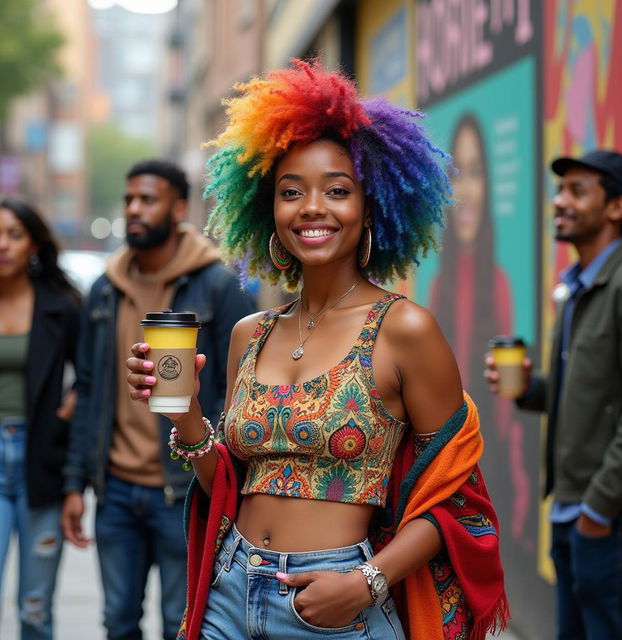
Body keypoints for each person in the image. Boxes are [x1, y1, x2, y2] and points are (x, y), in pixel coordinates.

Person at [126, 61, 508, 640]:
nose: (311, 207)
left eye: (337, 190)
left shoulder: (404, 328)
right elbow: (225, 485)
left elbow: (458, 501)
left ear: (372, 206)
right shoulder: (248, 334)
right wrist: (185, 415)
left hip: (337, 605)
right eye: (290, 192)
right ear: (267, 210)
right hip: (228, 593)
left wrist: (367, 583)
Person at [61, 159, 255, 640]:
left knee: (183, 622)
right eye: (129, 199)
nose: (134, 209)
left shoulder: (218, 285)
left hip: (184, 490)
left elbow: (240, 391)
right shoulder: (105, 290)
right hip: (116, 492)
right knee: (118, 622)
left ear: (179, 208)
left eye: (147, 199)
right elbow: (87, 388)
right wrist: (74, 483)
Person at [485, 149, 622, 640]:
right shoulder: (575, 288)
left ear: (616, 208)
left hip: (607, 515)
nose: (559, 202)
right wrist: (531, 388)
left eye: (577, 191)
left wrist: (599, 507)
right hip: (571, 509)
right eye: (559, 191)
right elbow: (592, 394)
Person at [429, 113, 531, 546]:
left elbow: (508, 413)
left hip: (495, 477)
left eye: (475, 173)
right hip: (447, 470)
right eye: (455, 176)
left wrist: (520, 482)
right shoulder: (437, 288)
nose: (465, 190)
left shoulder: (500, 284)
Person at [0, 198, 81, 639]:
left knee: (35, 607)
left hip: (40, 459)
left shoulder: (61, 305)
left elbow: (91, 370)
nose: (3, 245)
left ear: (32, 243)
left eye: (14, 234)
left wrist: (76, 397)